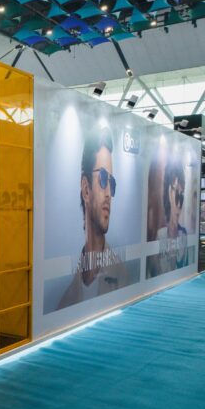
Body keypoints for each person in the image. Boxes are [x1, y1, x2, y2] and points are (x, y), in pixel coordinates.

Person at [57, 126, 128, 309]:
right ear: (86, 189)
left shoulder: (123, 279)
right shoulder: (66, 301)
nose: (108, 194)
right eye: (103, 178)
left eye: (112, 183)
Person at [147, 161, 189, 276]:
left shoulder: (183, 235)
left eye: (182, 197)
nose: (179, 205)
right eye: (177, 196)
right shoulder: (160, 236)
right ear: (169, 193)